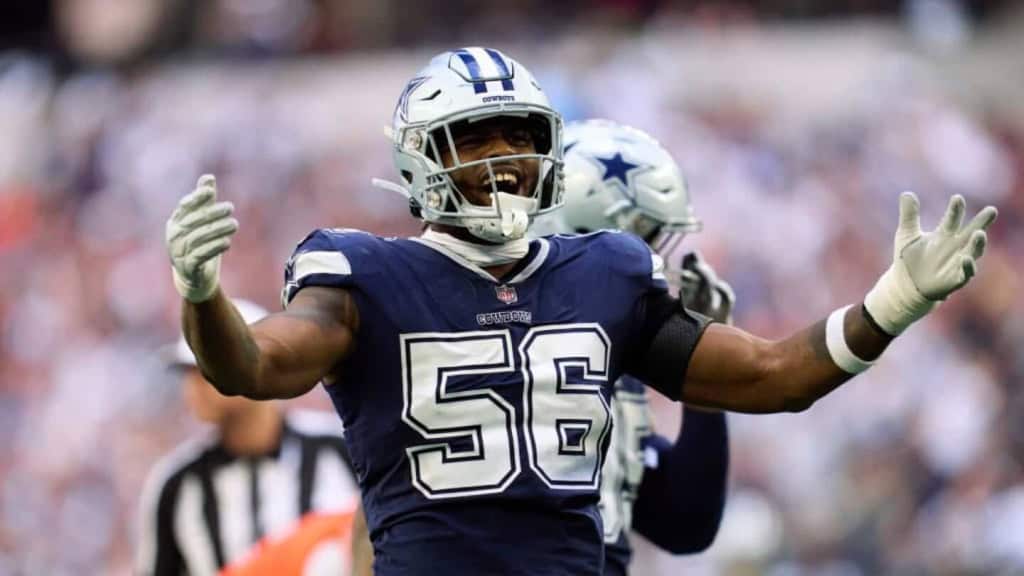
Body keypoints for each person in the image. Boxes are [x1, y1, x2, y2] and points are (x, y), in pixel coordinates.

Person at [162, 47, 997, 575]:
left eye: (516, 139)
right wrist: (202, 296)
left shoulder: (604, 270)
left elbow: (775, 376)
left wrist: (892, 301)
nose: (501, 164)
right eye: (472, 143)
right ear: (418, 162)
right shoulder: (363, 275)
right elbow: (253, 366)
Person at [533, 119, 731, 574]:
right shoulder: (518, 348)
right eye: (645, 241)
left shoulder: (605, 357)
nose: (657, 262)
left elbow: (684, 521)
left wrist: (707, 371)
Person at [135, 299, 359, 576]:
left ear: (254, 369)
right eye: (190, 373)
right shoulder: (177, 483)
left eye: (205, 370)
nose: (192, 388)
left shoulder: (341, 449)